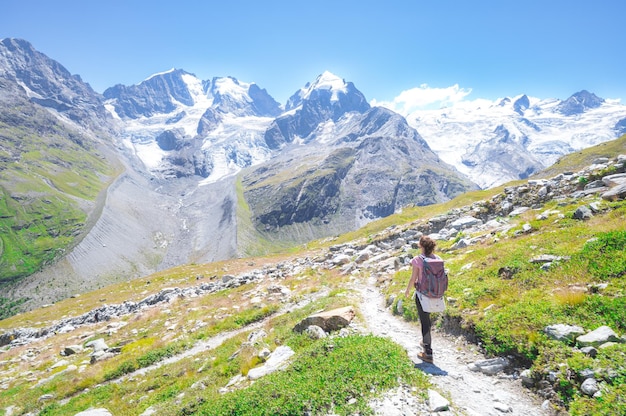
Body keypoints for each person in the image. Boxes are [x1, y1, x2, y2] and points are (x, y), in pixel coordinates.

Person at [405, 235, 439, 364]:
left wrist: (407, 289)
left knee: (424, 322)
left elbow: (413, 278)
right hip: (435, 293)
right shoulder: (437, 258)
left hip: (422, 294)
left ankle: (428, 352)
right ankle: (425, 342)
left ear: (421, 246)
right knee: (427, 320)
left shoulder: (418, 260)